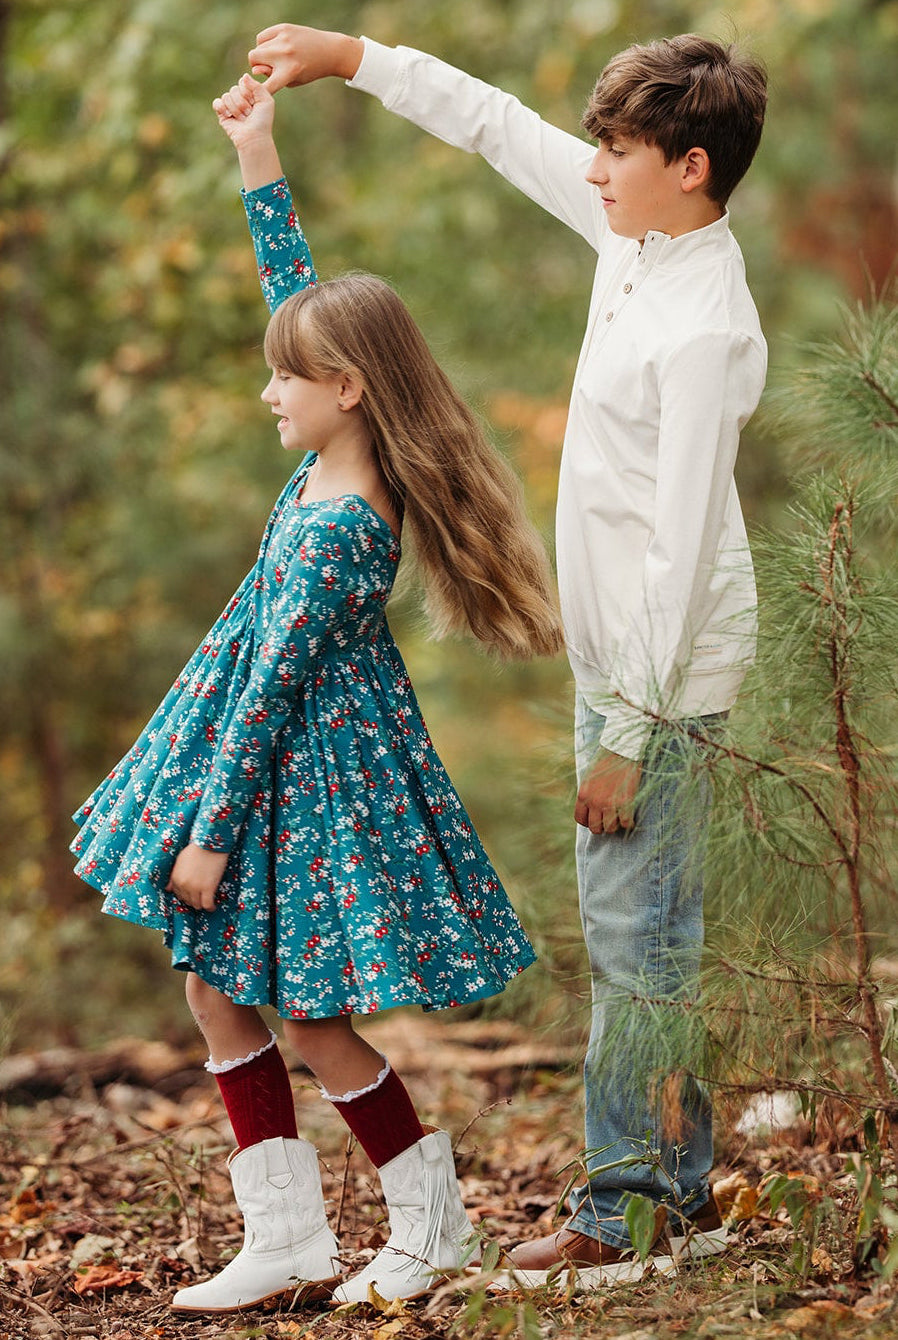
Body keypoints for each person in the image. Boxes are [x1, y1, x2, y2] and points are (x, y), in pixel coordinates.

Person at [246, 23, 769, 1283]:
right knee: (641, 927)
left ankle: (632, 1207)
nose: (592, 168)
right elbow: (489, 123)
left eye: (618, 150)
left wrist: (630, 739)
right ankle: (670, 1187)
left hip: (665, 676)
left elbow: (683, 549)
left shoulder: (704, 327)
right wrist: (354, 57)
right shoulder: (631, 245)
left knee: (639, 939)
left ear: (689, 166)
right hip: (624, 664)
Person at [71, 73, 564, 1313]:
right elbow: (295, 304)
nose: (267, 391)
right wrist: (257, 157)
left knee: (310, 1018)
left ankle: (429, 1221)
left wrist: (207, 832)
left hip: (299, 781)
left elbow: (269, 694)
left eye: (285, 380)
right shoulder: (330, 460)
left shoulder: (344, 524)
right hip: (283, 766)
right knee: (215, 985)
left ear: (345, 388)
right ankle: (285, 1234)